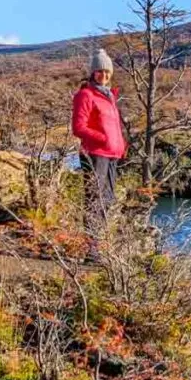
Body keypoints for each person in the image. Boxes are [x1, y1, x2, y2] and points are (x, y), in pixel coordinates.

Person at [71, 49, 127, 241]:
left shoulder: (110, 97)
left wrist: (120, 145)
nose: (104, 75)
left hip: (112, 154)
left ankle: (99, 243)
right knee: (95, 200)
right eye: (100, 71)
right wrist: (102, 138)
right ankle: (91, 248)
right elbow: (78, 127)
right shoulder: (86, 95)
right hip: (94, 153)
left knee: (108, 200)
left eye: (107, 72)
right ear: (93, 72)